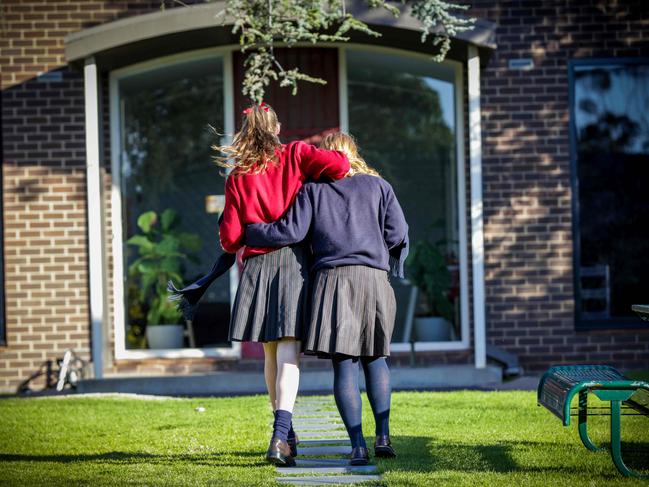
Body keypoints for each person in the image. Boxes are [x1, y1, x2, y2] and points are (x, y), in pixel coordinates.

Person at [244, 132, 409, 466]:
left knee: (344, 367)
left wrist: (250, 231)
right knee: (376, 360)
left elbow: (289, 232)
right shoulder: (379, 187)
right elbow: (398, 233)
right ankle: (384, 436)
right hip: (375, 280)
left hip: (333, 283)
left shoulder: (313, 191)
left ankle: (358, 446)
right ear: (353, 153)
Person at [217, 103, 350, 467]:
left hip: (257, 266)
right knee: (289, 349)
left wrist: (247, 231)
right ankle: (280, 435)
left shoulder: (238, 175)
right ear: (276, 127)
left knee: (271, 354)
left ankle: (284, 435)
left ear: (247, 131)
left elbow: (230, 238)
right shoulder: (295, 154)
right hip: (292, 261)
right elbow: (340, 167)